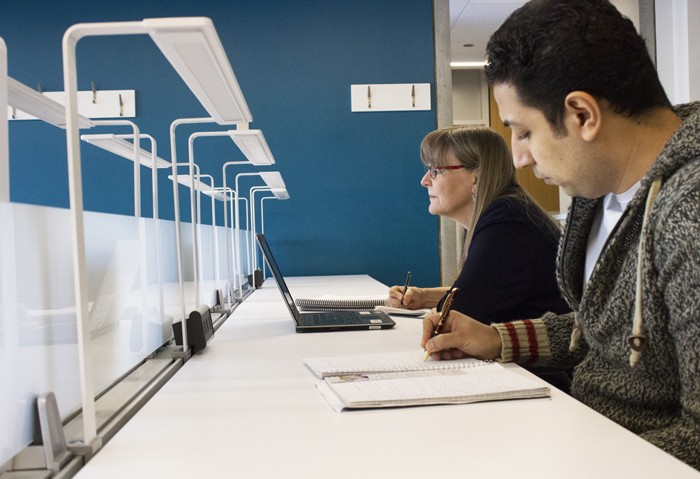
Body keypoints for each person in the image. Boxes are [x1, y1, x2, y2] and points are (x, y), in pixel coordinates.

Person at [421, 0, 700, 470]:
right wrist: (496, 339)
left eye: (523, 131)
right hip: (581, 429)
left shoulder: (688, 213)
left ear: (582, 115)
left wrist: (561, 458)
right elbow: (606, 334)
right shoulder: (598, 189)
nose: (520, 158)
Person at [387, 125, 570, 324]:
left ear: (477, 176)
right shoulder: (498, 213)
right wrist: (422, 296)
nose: (425, 181)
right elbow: (478, 291)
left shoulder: (505, 223)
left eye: (435, 170)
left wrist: (438, 308)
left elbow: (457, 313)